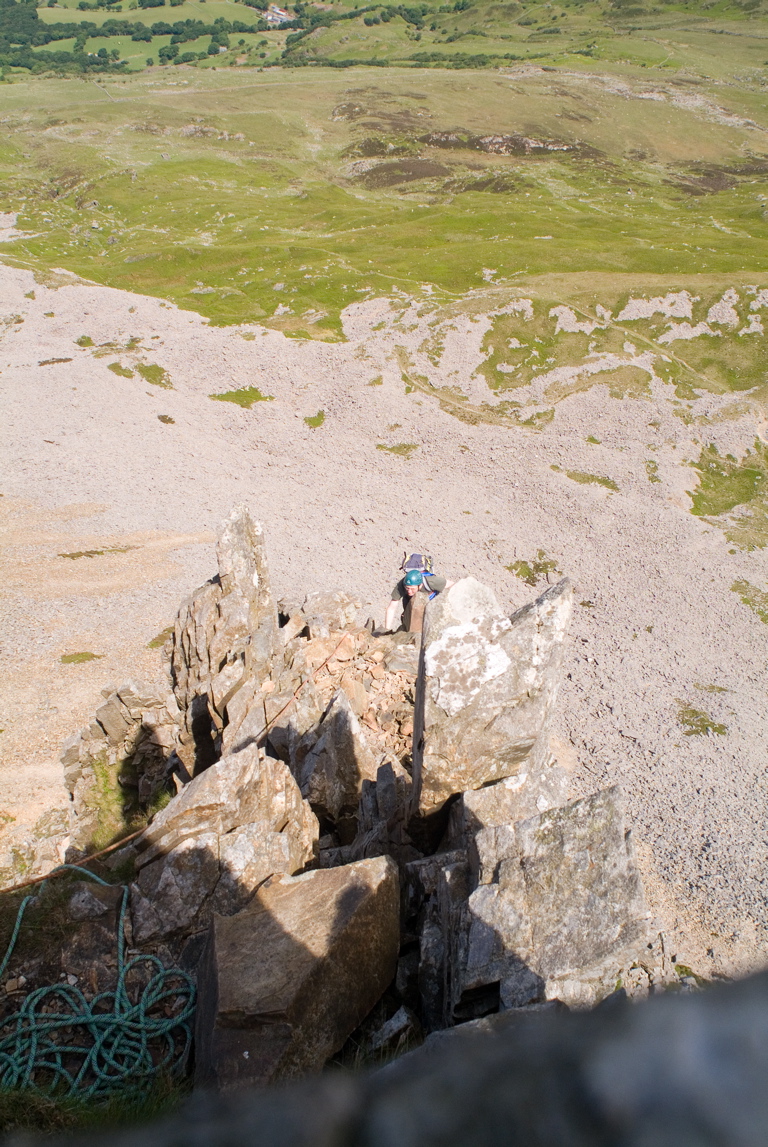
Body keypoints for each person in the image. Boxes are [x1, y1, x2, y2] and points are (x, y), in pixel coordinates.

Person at [384, 566, 449, 634]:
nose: (409, 591)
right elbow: (391, 608)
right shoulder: (402, 585)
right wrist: (386, 630)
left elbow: (453, 585)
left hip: (432, 603)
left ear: (420, 585)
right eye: (407, 588)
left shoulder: (432, 581)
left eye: (412, 589)